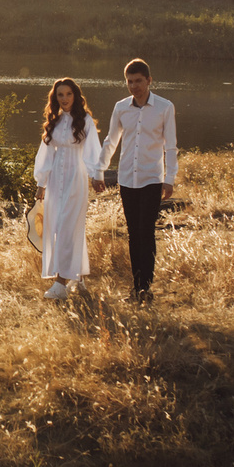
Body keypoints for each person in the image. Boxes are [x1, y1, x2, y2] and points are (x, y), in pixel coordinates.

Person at [95, 57, 177, 301]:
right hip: (127, 179)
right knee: (133, 233)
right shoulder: (121, 107)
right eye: (129, 82)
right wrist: (99, 170)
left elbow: (171, 146)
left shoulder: (165, 107)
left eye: (138, 81)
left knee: (146, 231)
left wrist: (169, 178)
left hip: (152, 178)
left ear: (149, 80)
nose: (134, 86)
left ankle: (145, 287)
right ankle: (137, 285)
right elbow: (111, 141)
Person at [30, 76, 101, 300]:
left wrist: (96, 176)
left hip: (75, 178)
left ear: (75, 96)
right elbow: (47, 153)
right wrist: (41, 183)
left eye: (68, 94)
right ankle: (77, 278)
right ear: (55, 98)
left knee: (68, 227)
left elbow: (92, 151)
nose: (64, 99)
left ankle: (60, 282)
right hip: (54, 180)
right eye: (60, 95)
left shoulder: (85, 120)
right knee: (58, 227)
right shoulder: (54, 121)